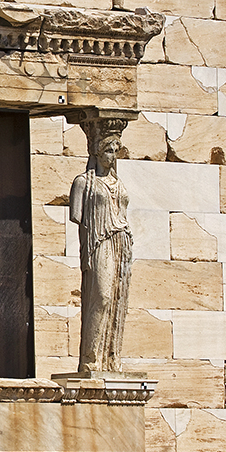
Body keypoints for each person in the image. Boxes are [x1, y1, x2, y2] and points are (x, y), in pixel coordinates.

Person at [69, 122, 132, 373]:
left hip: (122, 241)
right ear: (96, 152)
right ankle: (90, 357)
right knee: (102, 295)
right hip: (98, 242)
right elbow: (78, 216)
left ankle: (110, 360)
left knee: (117, 298)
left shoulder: (119, 184)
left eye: (116, 150)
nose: (112, 156)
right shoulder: (83, 183)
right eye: (108, 150)